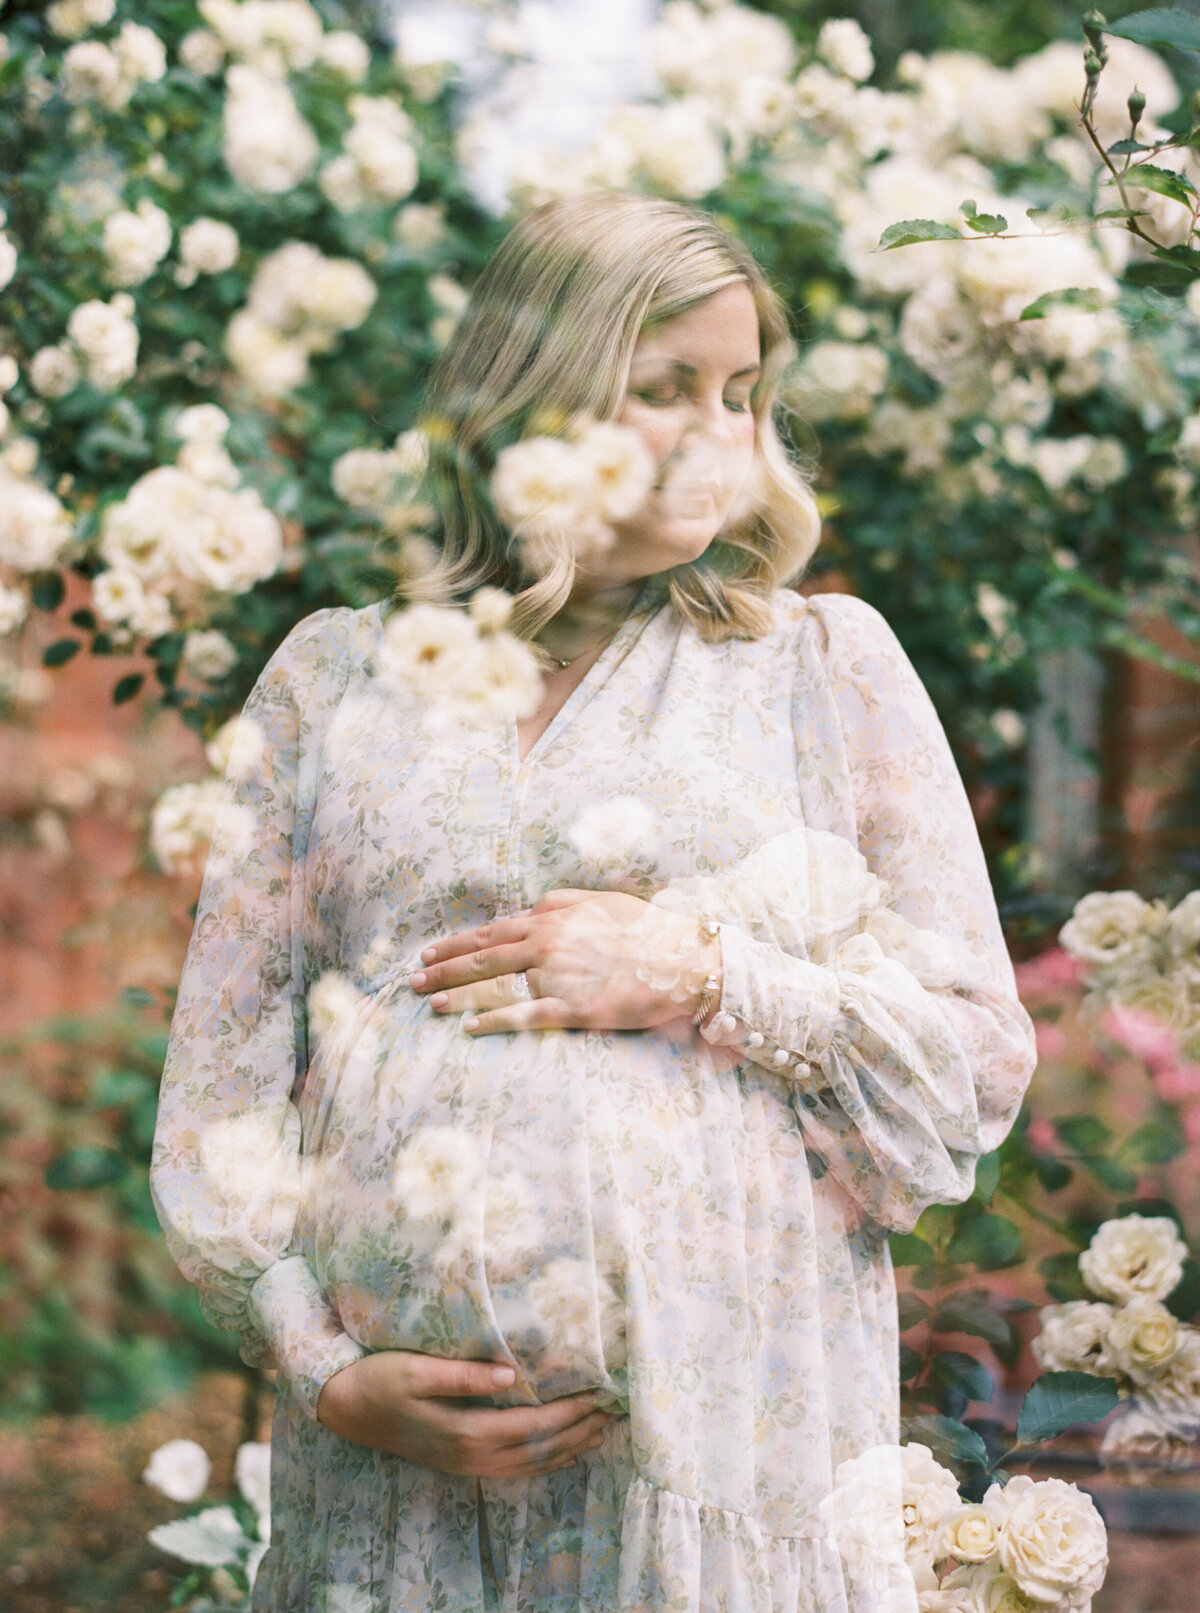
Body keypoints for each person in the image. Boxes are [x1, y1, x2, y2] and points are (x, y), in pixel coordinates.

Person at [150, 191, 1037, 1613]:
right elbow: (220, 1090)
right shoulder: (333, 677)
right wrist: (324, 1371)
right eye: (665, 387)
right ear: (533, 400)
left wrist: (700, 972)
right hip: (394, 1481)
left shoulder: (819, 669)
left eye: (742, 394)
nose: (719, 433)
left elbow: (972, 1057)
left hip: (719, 1449)